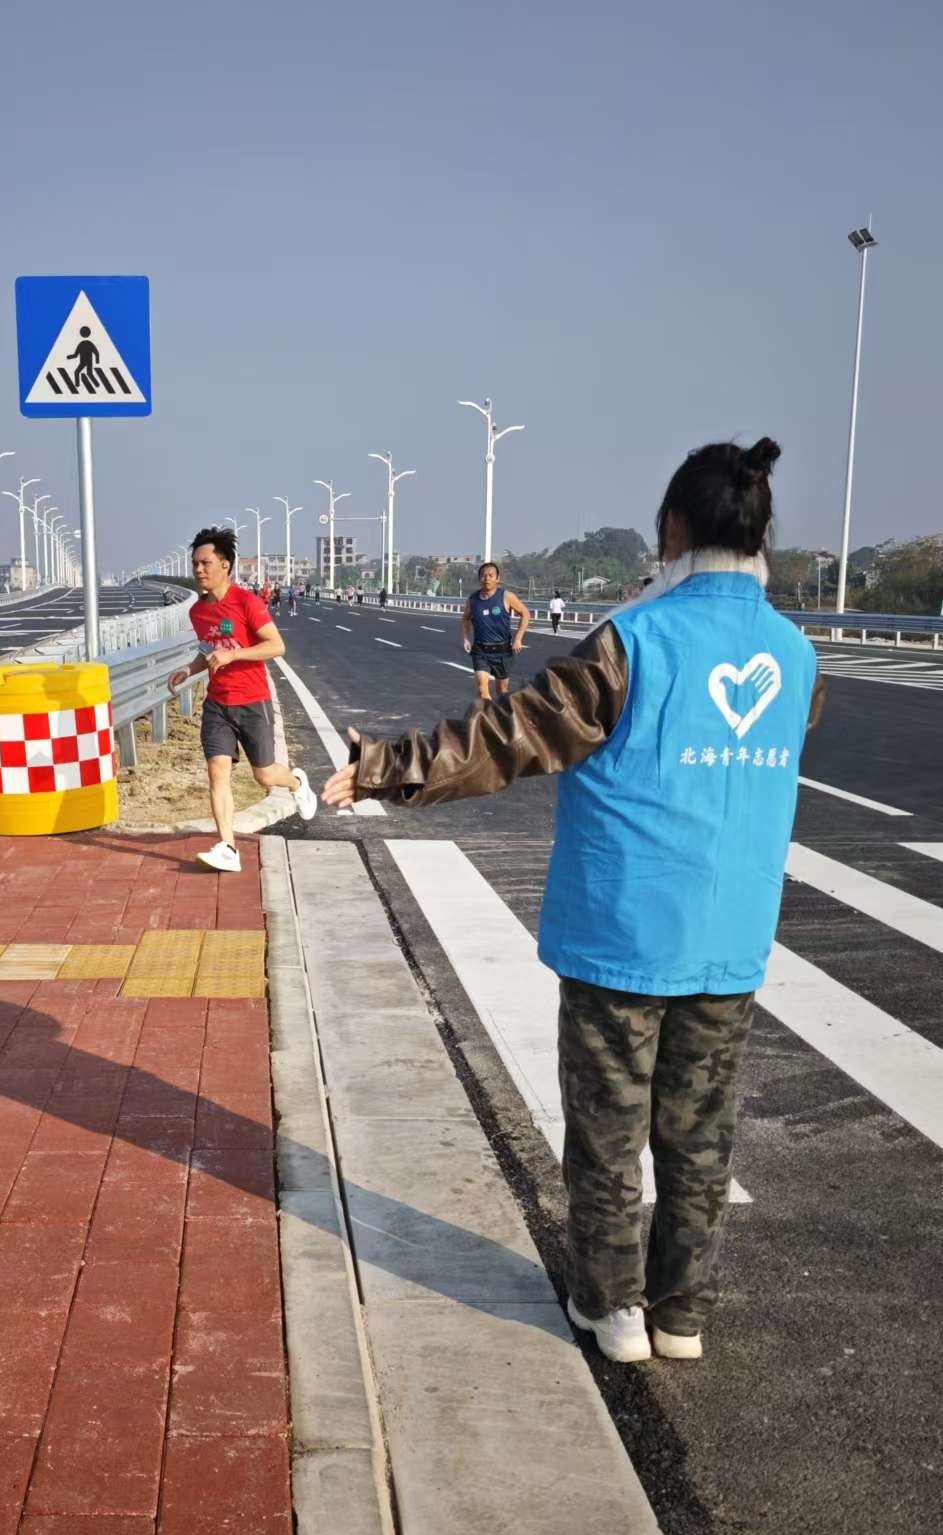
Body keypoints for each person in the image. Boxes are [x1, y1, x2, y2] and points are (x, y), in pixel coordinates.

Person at [323, 439, 824, 1365]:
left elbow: (507, 736)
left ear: (671, 528)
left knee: (607, 1135)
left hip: (620, 936)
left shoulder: (631, 643)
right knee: (700, 1138)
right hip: (729, 936)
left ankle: (611, 1307)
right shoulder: (796, 656)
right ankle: (681, 1314)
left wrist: (382, 766)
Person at [168, 526, 316, 873]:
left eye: (205, 563)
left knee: (264, 775)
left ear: (225, 565)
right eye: (195, 564)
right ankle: (228, 848)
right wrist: (188, 669)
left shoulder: (247, 602)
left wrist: (234, 655)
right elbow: (209, 650)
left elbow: (276, 646)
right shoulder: (197, 611)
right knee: (217, 772)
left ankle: (297, 783)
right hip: (218, 704)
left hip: (252, 701)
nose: (198, 570)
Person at [460, 562, 531, 699]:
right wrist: (466, 638)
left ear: (497, 579)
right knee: (481, 689)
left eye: (491, 575)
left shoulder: (506, 596)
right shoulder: (473, 599)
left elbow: (525, 614)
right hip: (481, 650)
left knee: (502, 691)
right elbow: (465, 619)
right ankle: (488, 711)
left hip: (502, 651)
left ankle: (501, 712)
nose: (487, 578)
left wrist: (518, 638)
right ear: (479, 579)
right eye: (483, 576)